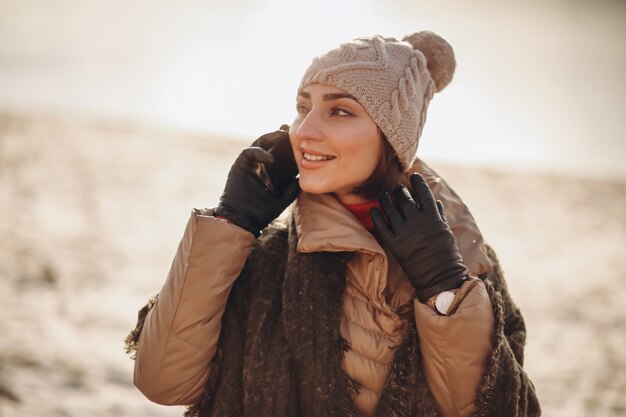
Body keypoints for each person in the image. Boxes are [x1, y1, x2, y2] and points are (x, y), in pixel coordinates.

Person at [125, 31, 541, 417]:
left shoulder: (471, 267)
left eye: (339, 111)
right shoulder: (262, 256)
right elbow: (162, 382)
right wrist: (230, 222)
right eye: (303, 107)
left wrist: (444, 288)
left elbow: (503, 407)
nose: (304, 131)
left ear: (393, 136)